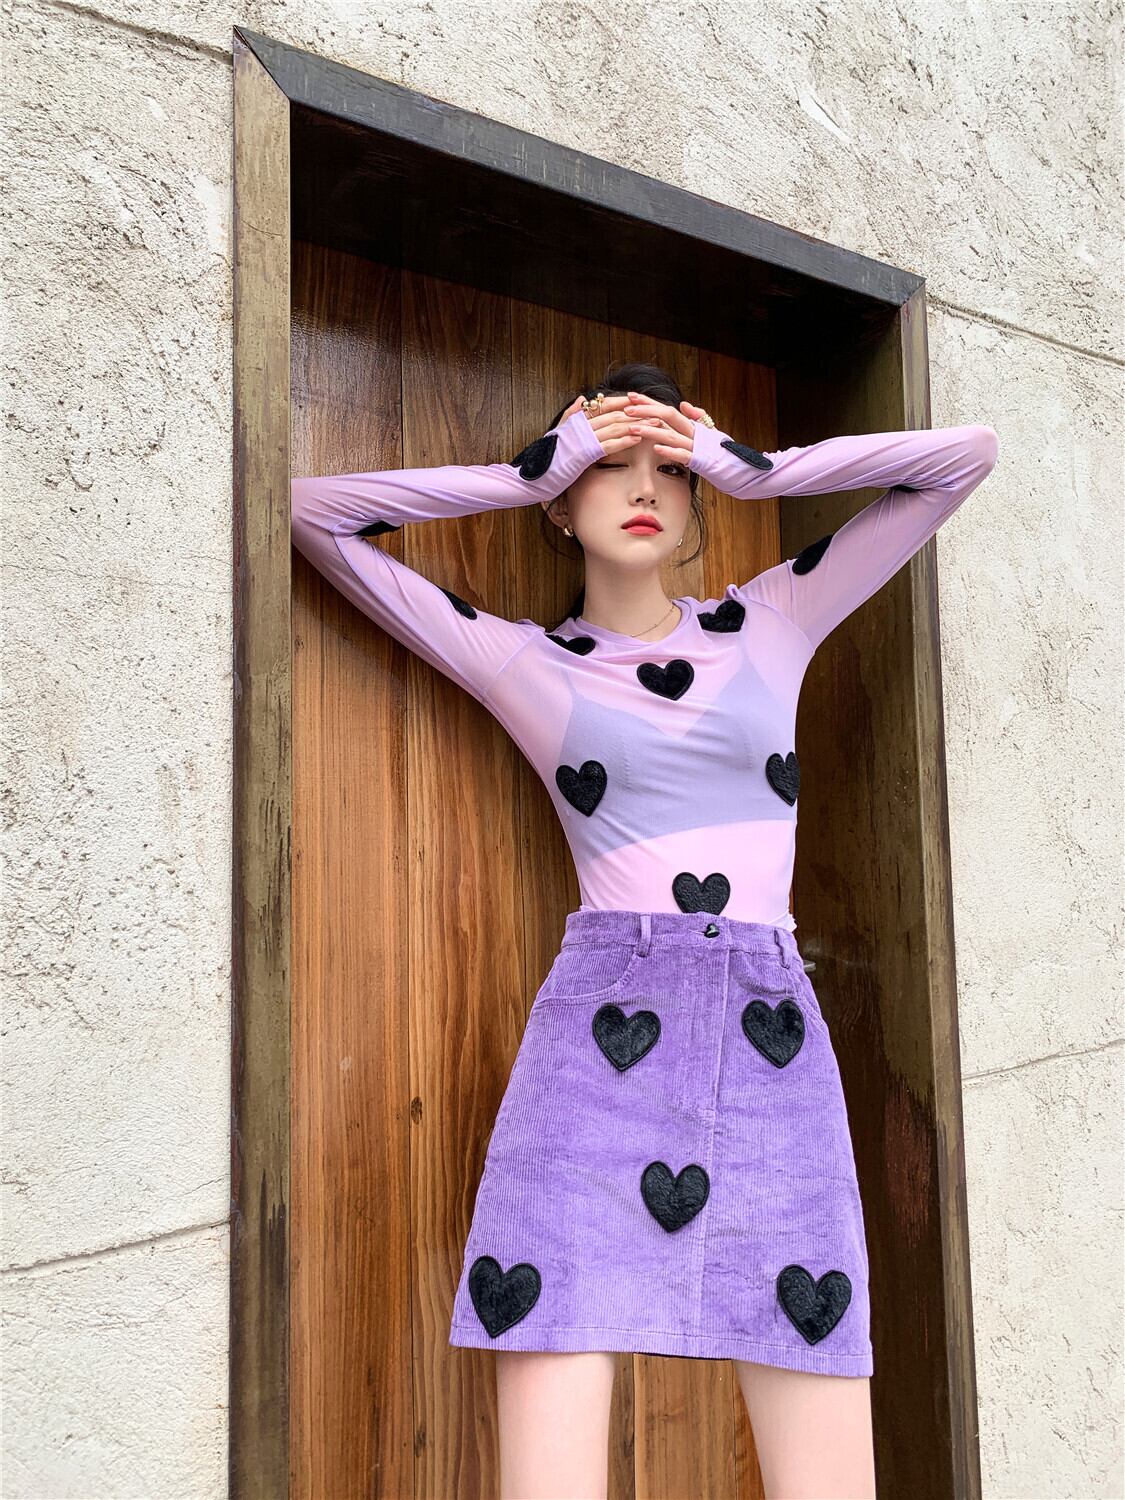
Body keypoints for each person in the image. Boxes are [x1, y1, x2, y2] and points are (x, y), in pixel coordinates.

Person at [291, 362, 999, 1500]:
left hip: (769, 1040)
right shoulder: (524, 661)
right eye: (610, 466)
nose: (643, 489)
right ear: (562, 505)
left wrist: (748, 466)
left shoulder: (771, 618)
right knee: (547, 1418)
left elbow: (963, 458)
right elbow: (309, 515)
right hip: (600, 1047)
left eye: (667, 470)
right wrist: (529, 470)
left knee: (826, 1440)